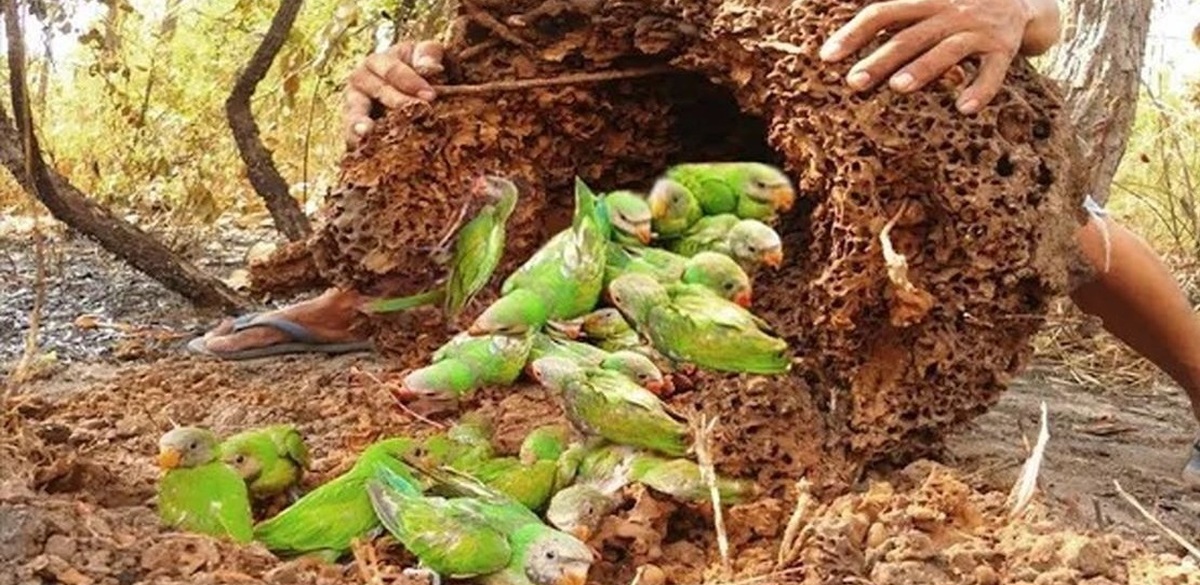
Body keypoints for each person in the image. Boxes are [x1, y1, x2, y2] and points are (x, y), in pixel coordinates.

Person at [188, 0, 1200, 483]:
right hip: (630, 162)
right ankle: (363, 303)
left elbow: (1039, 21)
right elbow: (494, 54)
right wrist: (400, 73)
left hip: (840, 126)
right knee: (465, 196)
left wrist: (1016, 13)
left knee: (1061, 234)